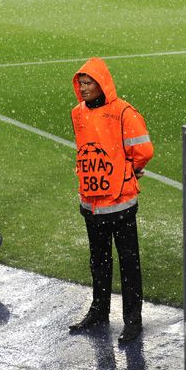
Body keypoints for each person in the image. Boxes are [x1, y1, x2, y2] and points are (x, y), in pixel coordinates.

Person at [68, 57, 154, 344]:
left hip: (120, 204)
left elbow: (143, 150)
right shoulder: (77, 113)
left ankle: (133, 320)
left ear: (101, 84)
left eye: (88, 83)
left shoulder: (124, 113)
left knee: (129, 264)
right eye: (81, 83)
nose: (83, 87)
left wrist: (128, 170)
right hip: (91, 202)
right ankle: (99, 311)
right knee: (99, 262)